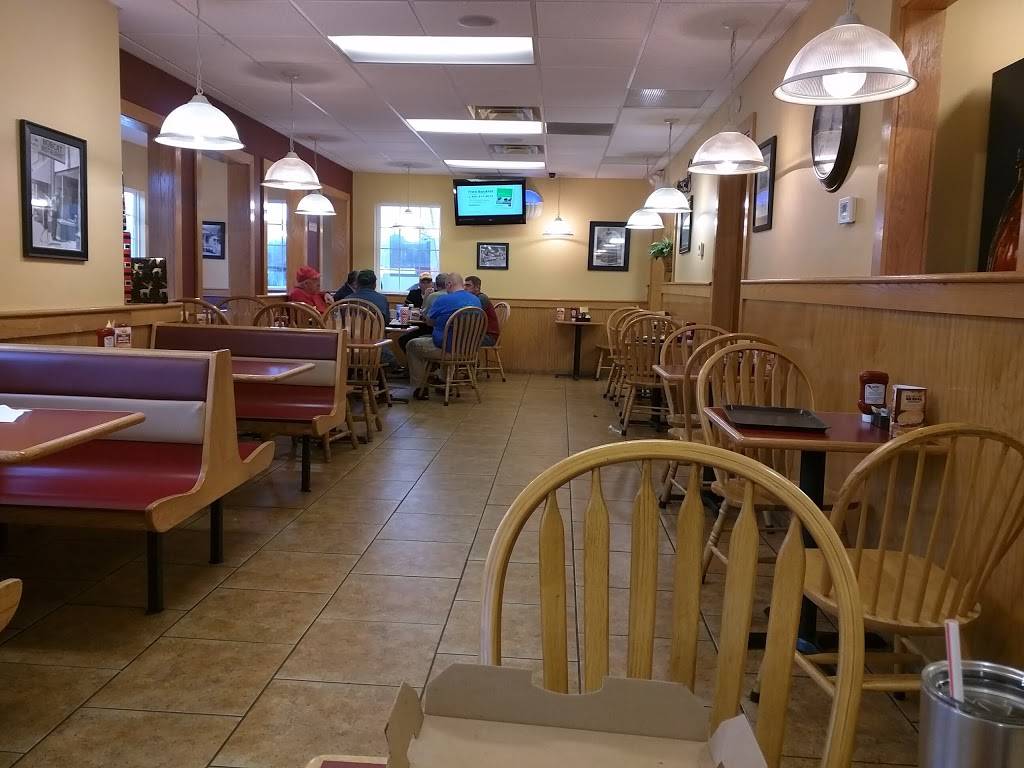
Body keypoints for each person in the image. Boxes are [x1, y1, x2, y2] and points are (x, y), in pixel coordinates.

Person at [406, 273, 481, 400]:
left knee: (412, 345)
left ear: (449, 284)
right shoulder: (476, 300)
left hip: (446, 350)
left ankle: (420, 388)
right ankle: (444, 381)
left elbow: (429, 321)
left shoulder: (443, 300)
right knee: (449, 339)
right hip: (469, 350)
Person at [398, 272, 446, 352]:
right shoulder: (413, 293)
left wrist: (426, 297)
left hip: (431, 327)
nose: (426, 285)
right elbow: (406, 309)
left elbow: (427, 314)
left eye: (428, 282)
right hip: (417, 326)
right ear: (419, 284)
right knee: (403, 339)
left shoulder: (437, 295)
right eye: (423, 282)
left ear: (432, 284)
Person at [464, 275, 500, 347]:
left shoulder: (482, 298)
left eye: (468, 285)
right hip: (480, 334)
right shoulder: (473, 299)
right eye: (464, 285)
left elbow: (472, 318)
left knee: (460, 340)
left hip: (489, 337)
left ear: (477, 287)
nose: (465, 288)